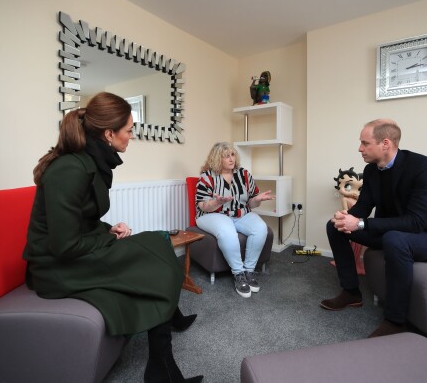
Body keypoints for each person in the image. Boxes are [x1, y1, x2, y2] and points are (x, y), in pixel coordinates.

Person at [23, 92, 203, 383]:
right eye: (129, 130)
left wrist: (107, 229)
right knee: (156, 248)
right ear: (109, 133)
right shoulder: (69, 169)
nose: (131, 136)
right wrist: (107, 240)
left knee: (157, 241)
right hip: (56, 267)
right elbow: (63, 244)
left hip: (75, 253)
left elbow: (81, 219)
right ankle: (163, 370)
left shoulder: (90, 163)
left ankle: (163, 364)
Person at [321, 119, 427, 338]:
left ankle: (396, 321)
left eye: (365, 143)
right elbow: (364, 206)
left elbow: (416, 222)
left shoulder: (424, 167)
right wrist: (347, 217)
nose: (360, 148)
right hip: (392, 232)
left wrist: (362, 223)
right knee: (334, 227)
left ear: (386, 143)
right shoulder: (372, 170)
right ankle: (351, 292)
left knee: (395, 239)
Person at [195, 142, 275, 298]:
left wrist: (257, 199)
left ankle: (249, 271)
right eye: (226, 156)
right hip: (212, 215)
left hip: (239, 213)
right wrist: (217, 202)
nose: (231, 159)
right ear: (217, 159)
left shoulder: (244, 174)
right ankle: (238, 274)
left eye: (232, 154)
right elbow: (203, 206)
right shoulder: (207, 177)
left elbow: (251, 203)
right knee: (227, 230)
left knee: (260, 228)